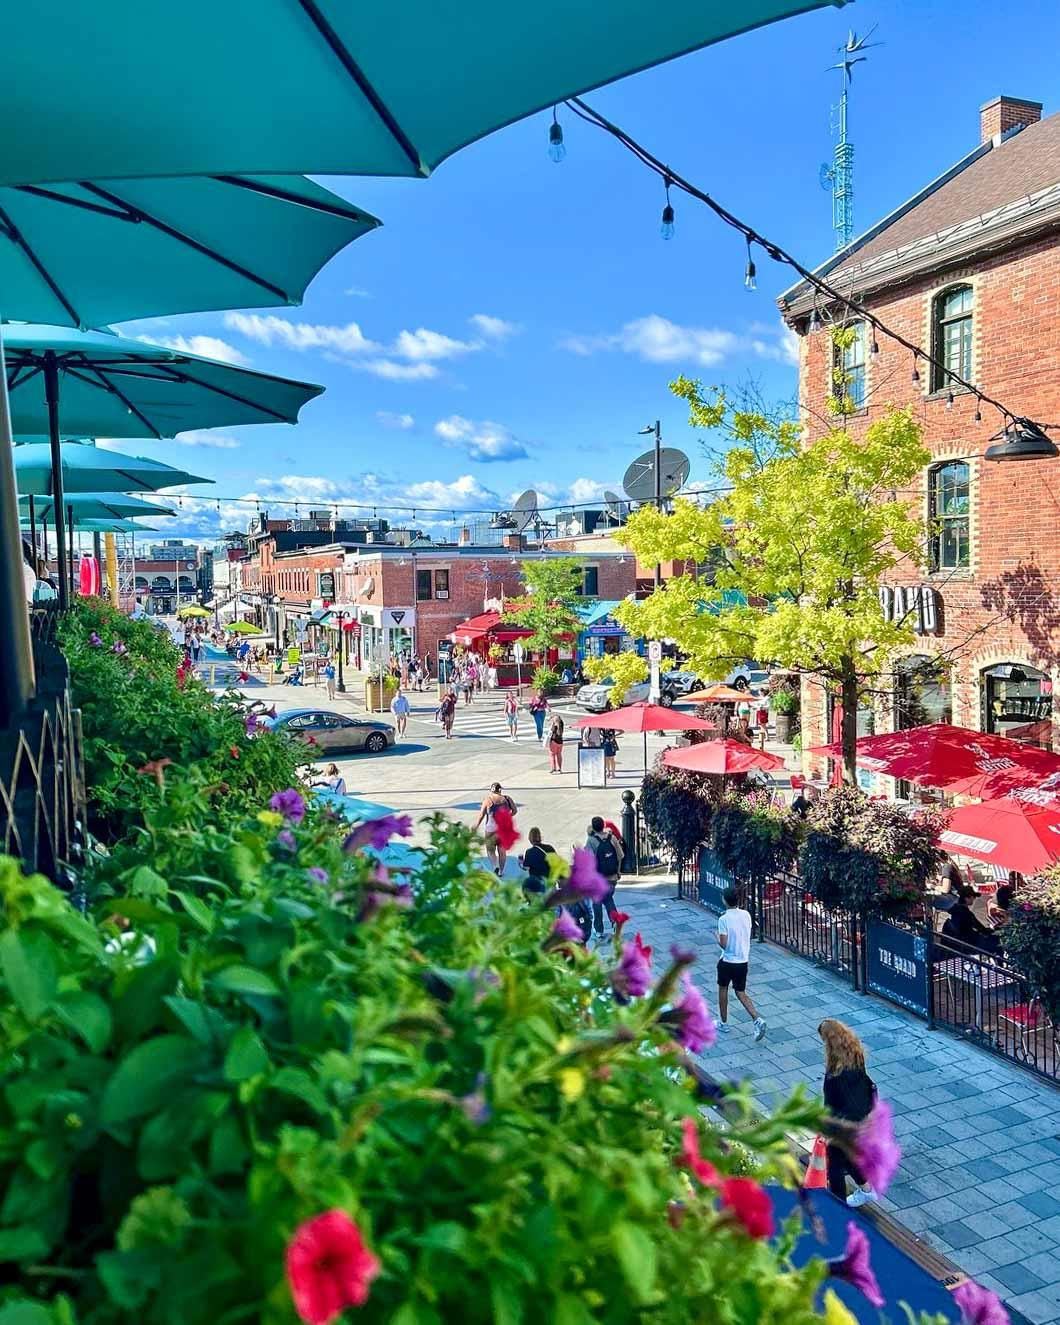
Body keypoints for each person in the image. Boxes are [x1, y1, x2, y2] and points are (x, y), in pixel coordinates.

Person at [818, 1019, 878, 1207]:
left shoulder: (837, 1073)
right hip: (861, 1118)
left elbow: (836, 1103)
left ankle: (840, 1209)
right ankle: (867, 1190)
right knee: (846, 1155)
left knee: (834, 1165)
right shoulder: (855, 1055)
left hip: (844, 1124)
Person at [716, 886, 766, 1041]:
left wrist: (716, 937)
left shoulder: (723, 919)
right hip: (742, 960)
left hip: (727, 961)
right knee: (740, 992)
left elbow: (724, 944)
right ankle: (756, 1018)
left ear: (724, 900)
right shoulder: (746, 915)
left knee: (723, 990)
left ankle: (723, 1023)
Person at [585, 815, 621, 940]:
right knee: (608, 899)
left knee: (597, 904)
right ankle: (615, 921)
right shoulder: (612, 838)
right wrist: (618, 871)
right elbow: (620, 856)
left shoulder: (591, 841)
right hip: (612, 877)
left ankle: (599, 930)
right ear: (603, 825)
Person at [941, 886, 1000, 955]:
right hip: (968, 944)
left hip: (959, 942)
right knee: (996, 942)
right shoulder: (965, 913)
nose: (974, 899)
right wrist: (996, 931)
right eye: (973, 897)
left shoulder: (955, 910)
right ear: (966, 898)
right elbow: (981, 929)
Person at [476, 782, 516, 876]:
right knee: (502, 851)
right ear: (500, 790)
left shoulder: (488, 800)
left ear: (491, 790)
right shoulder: (507, 799)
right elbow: (514, 811)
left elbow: (481, 815)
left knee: (490, 850)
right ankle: (501, 872)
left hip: (490, 828)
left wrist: (476, 826)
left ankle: (495, 866)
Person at [520, 827, 554, 896]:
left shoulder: (529, 852)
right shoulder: (549, 848)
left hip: (537, 883)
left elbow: (525, 868)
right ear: (540, 837)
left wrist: (521, 862)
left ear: (530, 839)